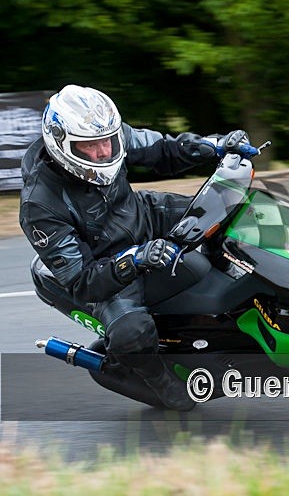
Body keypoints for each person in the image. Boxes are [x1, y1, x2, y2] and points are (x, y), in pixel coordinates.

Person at [19, 84, 250, 411]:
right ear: (62, 145)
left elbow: (163, 149)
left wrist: (216, 145)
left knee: (229, 210)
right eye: (91, 147)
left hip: (141, 214)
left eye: (108, 141)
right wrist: (135, 260)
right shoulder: (40, 206)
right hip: (103, 268)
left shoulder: (110, 135)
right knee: (131, 331)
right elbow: (83, 281)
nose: (103, 152)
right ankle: (162, 383)